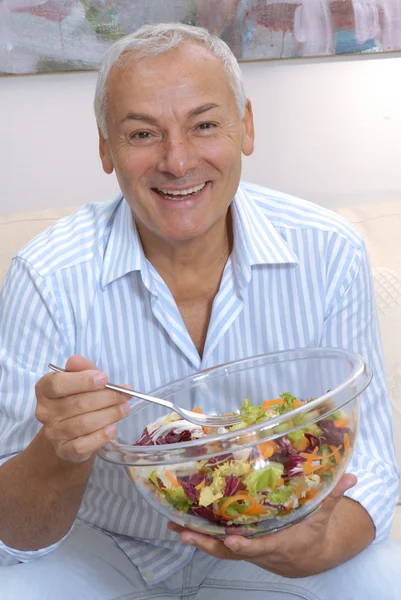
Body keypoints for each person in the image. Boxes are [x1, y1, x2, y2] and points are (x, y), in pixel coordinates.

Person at [0, 22, 400, 600]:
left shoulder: (330, 251)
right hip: (104, 547)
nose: (178, 161)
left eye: (205, 125)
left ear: (248, 127)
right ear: (105, 149)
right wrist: (58, 451)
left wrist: (315, 547)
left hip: (279, 541)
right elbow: (11, 535)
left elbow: (376, 468)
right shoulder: (46, 274)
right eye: (142, 134)